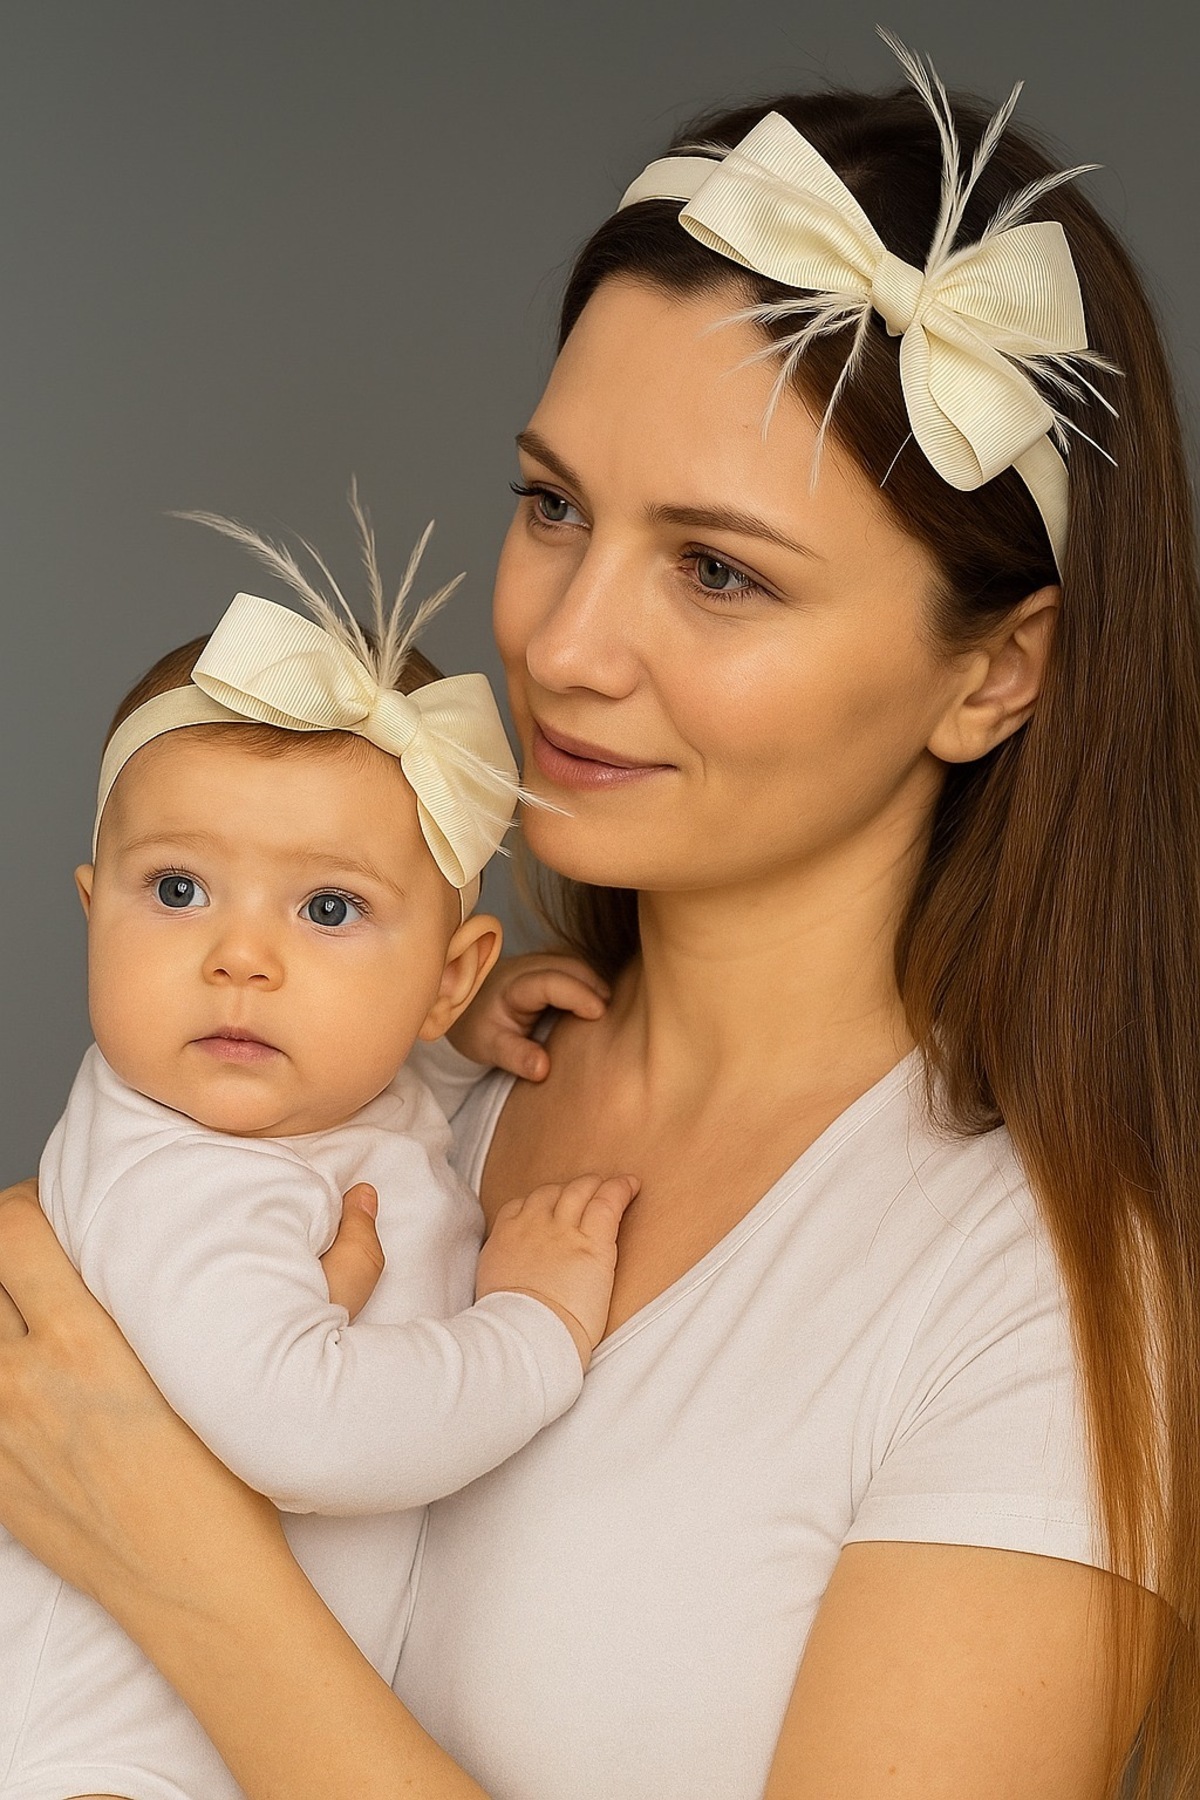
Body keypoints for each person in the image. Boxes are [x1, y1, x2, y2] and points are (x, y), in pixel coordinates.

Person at [0, 35, 1195, 1800]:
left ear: (995, 673)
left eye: (719, 570)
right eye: (553, 506)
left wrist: (176, 1564)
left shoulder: (1042, 1308)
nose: (561, 643)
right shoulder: (372, 1059)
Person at [0, 514, 636, 1800]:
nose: (242, 956)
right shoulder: (178, 1172)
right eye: (177, 889)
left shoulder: (282, 1112)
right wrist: (536, 1328)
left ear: (449, 975)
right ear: (91, 908)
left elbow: (360, 1115)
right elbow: (303, 1431)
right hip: (111, 1758)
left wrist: (452, 1055)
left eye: (329, 909)